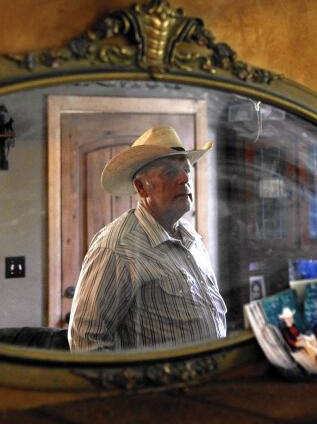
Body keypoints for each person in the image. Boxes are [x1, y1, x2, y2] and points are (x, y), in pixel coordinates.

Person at [68, 125, 226, 351]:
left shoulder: (191, 237)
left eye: (186, 169)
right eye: (170, 172)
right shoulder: (116, 247)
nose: (184, 178)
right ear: (142, 188)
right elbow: (86, 345)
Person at [277, 306, 317, 374]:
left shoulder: (293, 325)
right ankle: (314, 353)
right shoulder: (284, 328)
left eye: (291, 317)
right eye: (288, 318)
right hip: (294, 343)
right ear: (285, 319)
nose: (290, 319)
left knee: (312, 338)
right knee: (304, 343)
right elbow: (289, 340)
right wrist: (298, 338)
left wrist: (302, 336)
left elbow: (298, 333)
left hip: (298, 340)